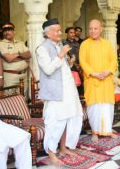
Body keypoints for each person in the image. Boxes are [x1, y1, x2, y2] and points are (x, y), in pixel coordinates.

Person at [36, 18, 83, 165]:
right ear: (48, 33)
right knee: (55, 122)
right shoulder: (42, 49)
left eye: (59, 30)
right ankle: (51, 153)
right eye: (57, 30)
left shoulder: (59, 45)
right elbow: (49, 70)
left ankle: (63, 148)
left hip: (68, 90)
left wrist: (68, 62)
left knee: (69, 118)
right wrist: (61, 55)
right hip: (55, 92)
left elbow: (61, 69)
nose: (60, 33)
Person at [79, 19, 117, 142]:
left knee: (107, 107)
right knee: (94, 108)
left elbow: (113, 60)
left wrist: (108, 71)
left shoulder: (107, 44)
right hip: (92, 81)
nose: (93, 31)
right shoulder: (84, 44)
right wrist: (94, 73)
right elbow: (82, 61)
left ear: (101, 29)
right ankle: (95, 132)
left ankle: (108, 130)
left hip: (106, 81)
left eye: (95, 28)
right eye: (90, 28)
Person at [0, 22, 31, 88]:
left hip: (24, 76)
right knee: (11, 97)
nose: (7, 32)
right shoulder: (0, 44)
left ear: (13, 31)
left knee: (24, 97)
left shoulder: (20, 42)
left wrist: (16, 55)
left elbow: (29, 54)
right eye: (5, 31)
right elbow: (8, 59)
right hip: (10, 77)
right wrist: (22, 56)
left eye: (9, 30)